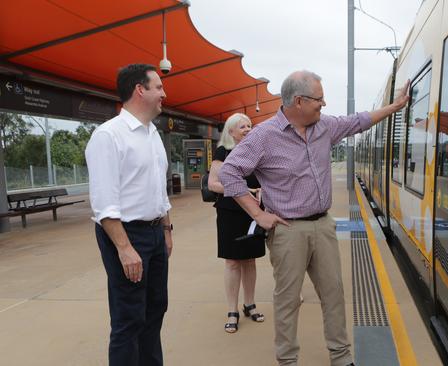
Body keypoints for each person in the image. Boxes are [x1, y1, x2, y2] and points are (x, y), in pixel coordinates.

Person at [219, 70, 409, 366]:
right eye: (318, 99)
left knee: (334, 293)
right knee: (288, 300)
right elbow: (229, 172)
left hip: (323, 225)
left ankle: (341, 357)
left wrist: (394, 107)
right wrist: (257, 213)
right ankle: (287, 360)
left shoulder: (325, 127)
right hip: (287, 230)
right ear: (299, 101)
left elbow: (358, 121)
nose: (324, 104)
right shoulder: (264, 136)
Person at [85, 63, 172, 366]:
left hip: (154, 233)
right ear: (140, 90)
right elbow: (104, 203)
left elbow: (158, 190)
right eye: (158, 87)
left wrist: (166, 230)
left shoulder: (152, 134)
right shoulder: (108, 136)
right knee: (129, 318)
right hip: (125, 235)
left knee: (155, 309)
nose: (164, 93)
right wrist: (124, 248)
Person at [207, 113, 265, 333]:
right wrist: (243, 190)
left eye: (250, 126)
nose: (248, 129)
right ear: (231, 131)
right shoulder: (223, 152)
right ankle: (232, 310)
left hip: (253, 212)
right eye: (242, 126)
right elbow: (213, 184)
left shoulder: (257, 152)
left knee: (250, 260)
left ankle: (249, 304)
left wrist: (261, 190)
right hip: (230, 212)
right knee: (232, 261)